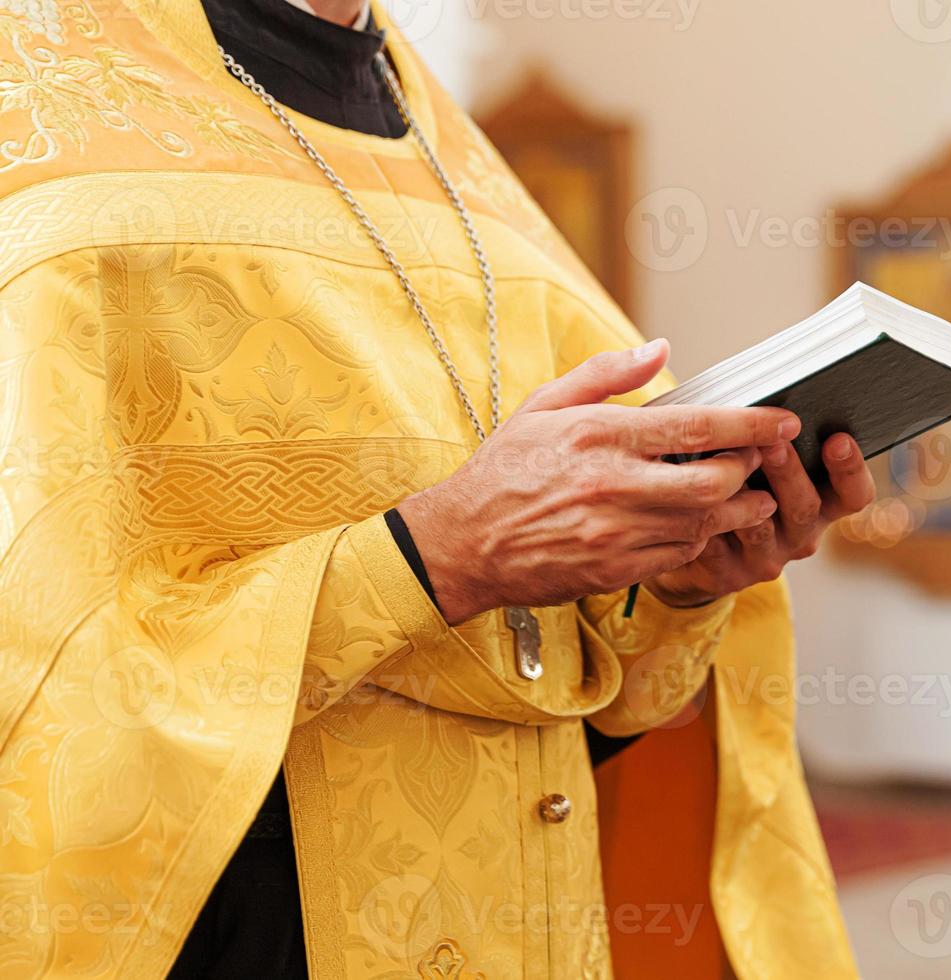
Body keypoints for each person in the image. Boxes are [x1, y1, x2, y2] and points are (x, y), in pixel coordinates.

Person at [0, 0, 872, 977]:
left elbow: (592, 683)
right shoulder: (38, 99)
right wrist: (434, 555)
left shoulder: (427, 130)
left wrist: (679, 576)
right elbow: (43, 666)